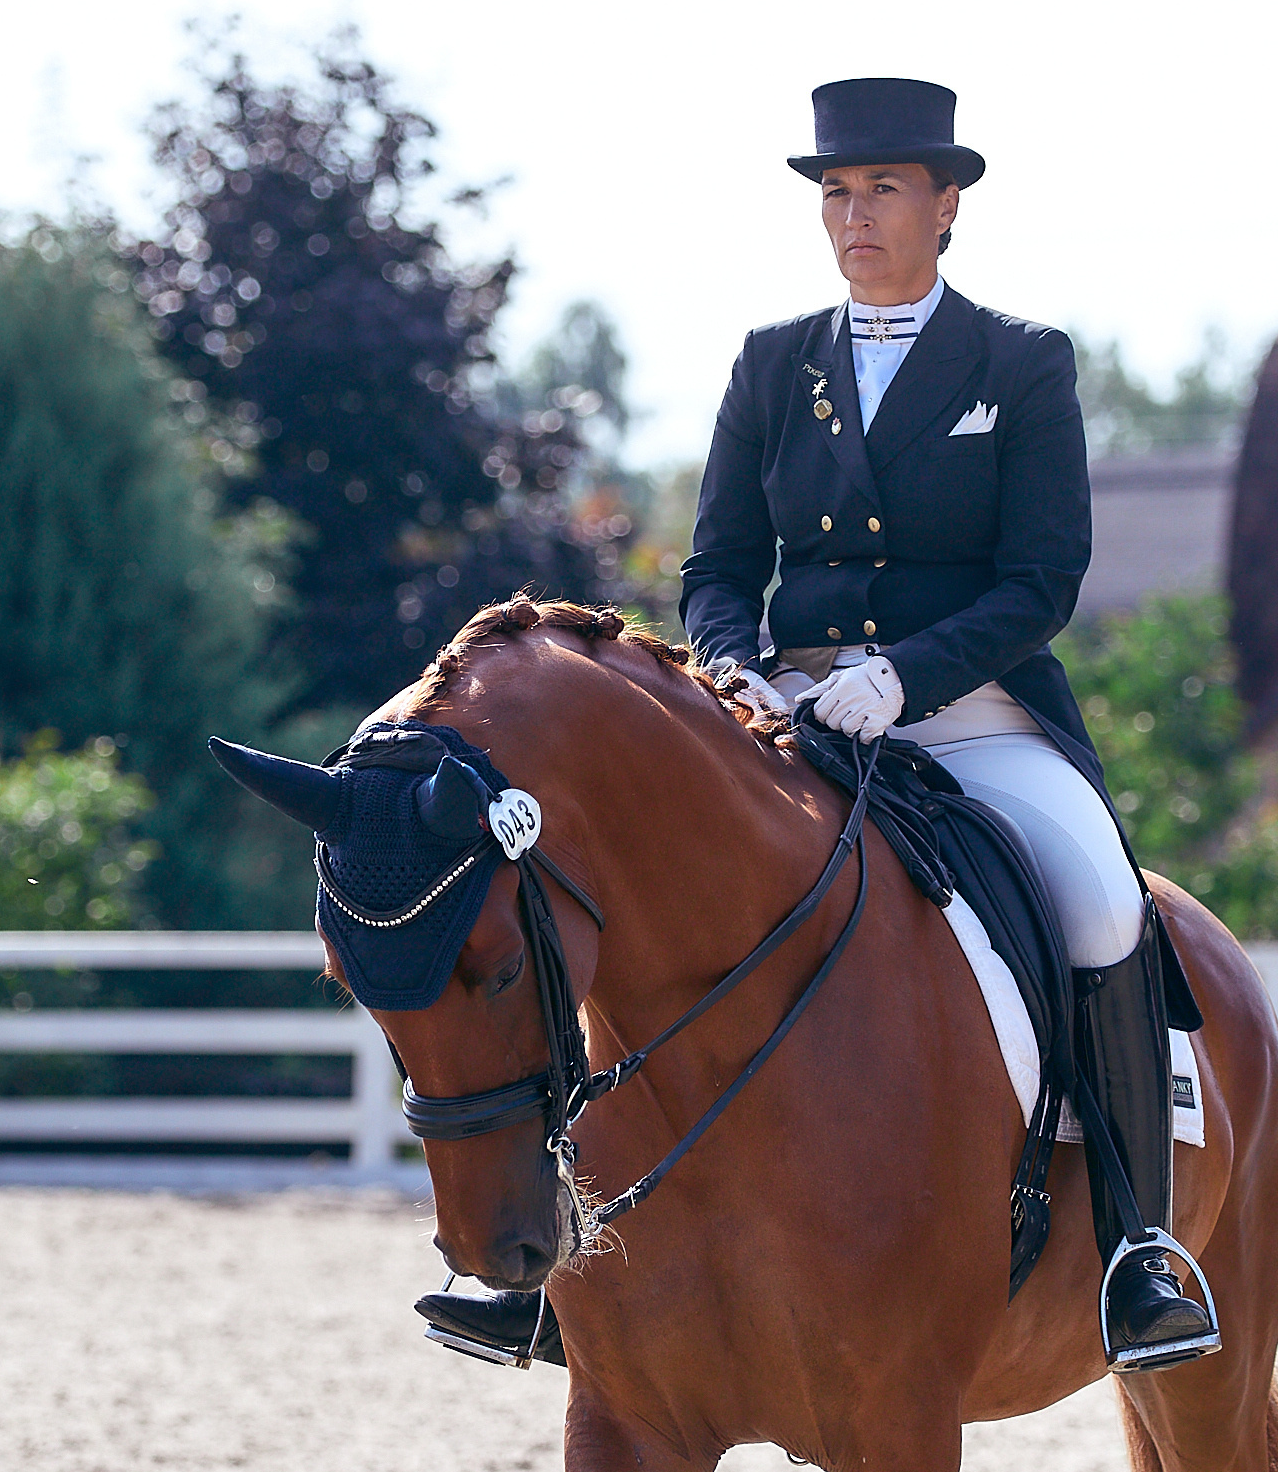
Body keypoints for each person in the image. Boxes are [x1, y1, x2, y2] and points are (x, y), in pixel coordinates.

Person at [423, 78, 1217, 1374]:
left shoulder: (1019, 363)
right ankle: (554, 1261)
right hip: (786, 719)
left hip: (970, 713)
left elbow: (1042, 578)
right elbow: (720, 566)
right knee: (599, 905)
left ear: (946, 203)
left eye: (884, 189)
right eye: (838, 193)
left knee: (1100, 905)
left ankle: (1139, 1248)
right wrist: (736, 671)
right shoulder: (774, 363)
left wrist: (903, 673)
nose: (855, 215)